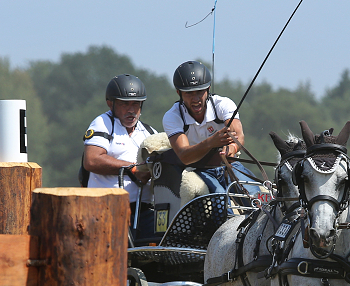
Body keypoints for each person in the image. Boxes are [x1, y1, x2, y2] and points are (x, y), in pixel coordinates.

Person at [161, 60, 257, 195]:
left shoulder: (223, 104)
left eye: (200, 91)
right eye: (189, 93)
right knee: (219, 198)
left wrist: (232, 148)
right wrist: (211, 142)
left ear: (208, 89)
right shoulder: (173, 116)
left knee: (255, 196)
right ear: (179, 93)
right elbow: (185, 156)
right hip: (197, 169)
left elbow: (238, 135)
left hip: (228, 165)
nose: (195, 99)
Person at [82, 74, 157, 218]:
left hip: (145, 211)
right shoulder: (103, 123)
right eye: (125, 104)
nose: (131, 110)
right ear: (111, 104)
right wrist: (133, 169)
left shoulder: (150, 132)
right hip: (105, 208)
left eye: (136, 103)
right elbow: (91, 160)